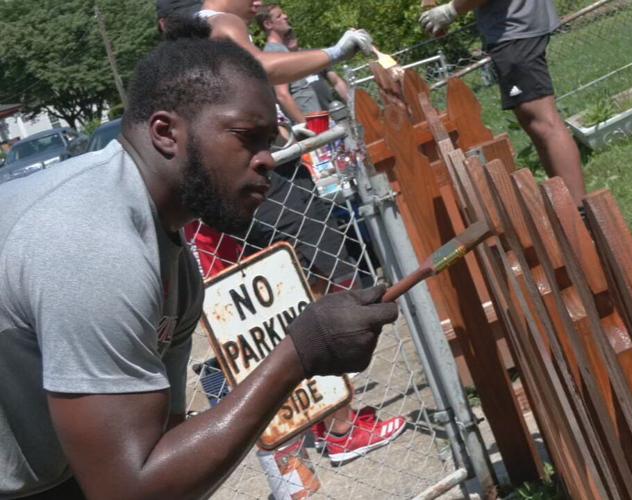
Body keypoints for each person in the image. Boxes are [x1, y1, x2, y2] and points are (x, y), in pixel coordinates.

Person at [0, 37, 399, 499]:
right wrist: (300, 354)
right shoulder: (93, 242)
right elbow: (130, 491)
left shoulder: (175, 267)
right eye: (246, 137)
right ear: (166, 133)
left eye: (269, 141)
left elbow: (156, 453)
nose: (268, 158)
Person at [420, 0, 587, 205]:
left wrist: (450, 11)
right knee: (535, 123)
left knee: (543, 122)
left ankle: (581, 210)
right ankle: (569, 206)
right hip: (517, 26)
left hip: (515, 29)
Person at [198, 0, 373, 88]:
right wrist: (336, 52)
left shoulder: (199, 26)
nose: (258, 4)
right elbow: (260, 68)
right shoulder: (222, 21)